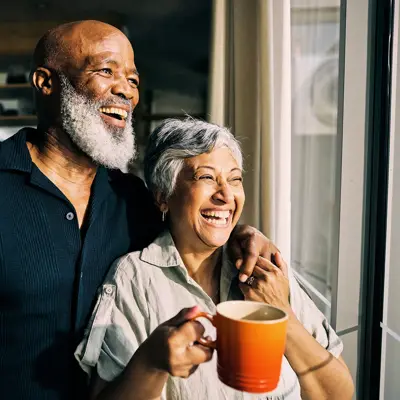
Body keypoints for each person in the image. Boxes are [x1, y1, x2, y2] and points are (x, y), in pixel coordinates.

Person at [0, 21, 275, 400]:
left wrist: (245, 236)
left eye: (132, 79)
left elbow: (192, 235)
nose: (124, 91)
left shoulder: (134, 198)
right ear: (46, 82)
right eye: (105, 70)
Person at [75, 118, 354, 400]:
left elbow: (339, 394)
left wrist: (283, 314)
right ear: (163, 196)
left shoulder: (267, 268)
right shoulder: (135, 278)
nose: (226, 195)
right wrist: (151, 363)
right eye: (206, 177)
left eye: (235, 179)